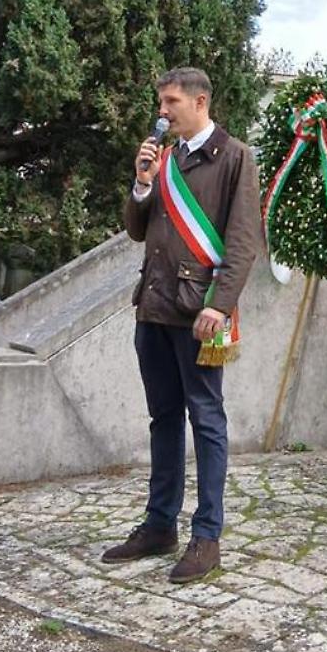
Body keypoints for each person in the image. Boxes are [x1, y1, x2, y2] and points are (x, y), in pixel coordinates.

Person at [102, 67, 260, 583]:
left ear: (200, 101)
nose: (163, 111)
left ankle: (207, 535)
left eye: (171, 102)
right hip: (153, 306)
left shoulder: (235, 157)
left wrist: (220, 303)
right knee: (162, 420)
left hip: (198, 313)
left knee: (207, 422)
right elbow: (135, 229)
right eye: (161, 102)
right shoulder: (164, 160)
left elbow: (242, 241)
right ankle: (159, 523)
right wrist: (142, 184)